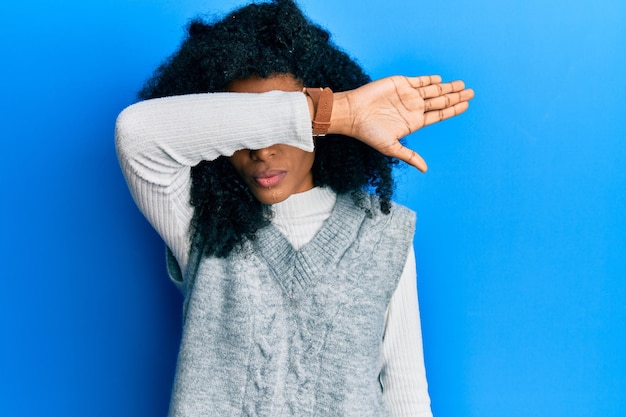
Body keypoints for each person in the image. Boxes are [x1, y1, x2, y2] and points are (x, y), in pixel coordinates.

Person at [115, 0, 473, 416]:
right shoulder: (200, 224)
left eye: (279, 125)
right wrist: (341, 110)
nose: (262, 149)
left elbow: (405, 395)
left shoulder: (382, 232)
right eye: (246, 126)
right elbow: (135, 133)